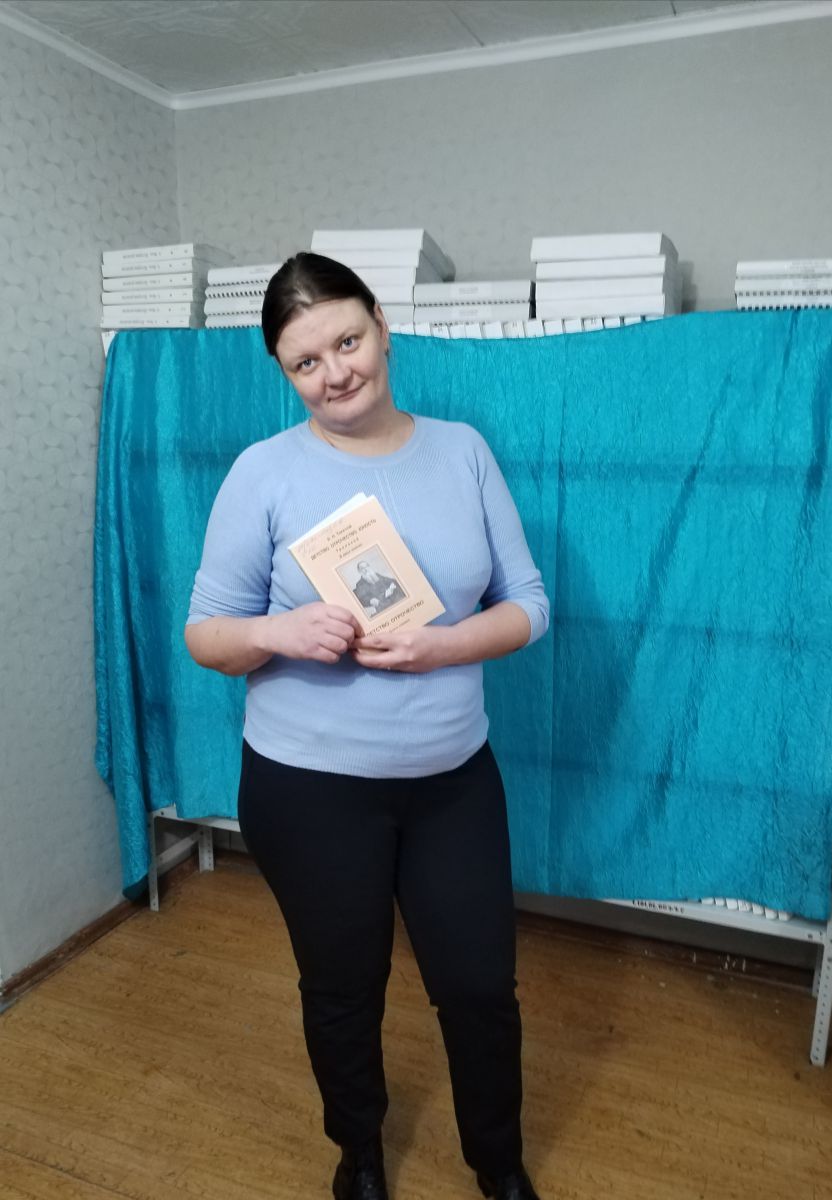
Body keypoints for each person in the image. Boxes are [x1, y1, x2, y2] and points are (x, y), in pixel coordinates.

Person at [185, 252, 549, 1200]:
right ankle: (359, 1154)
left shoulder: (463, 451)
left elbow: (530, 604)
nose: (335, 373)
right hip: (307, 790)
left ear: (382, 326)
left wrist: (443, 647)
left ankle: (498, 1163)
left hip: (451, 782)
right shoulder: (263, 473)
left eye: (347, 341)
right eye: (306, 363)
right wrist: (279, 632)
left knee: (479, 986)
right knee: (343, 989)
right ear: (284, 373)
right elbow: (206, 634)